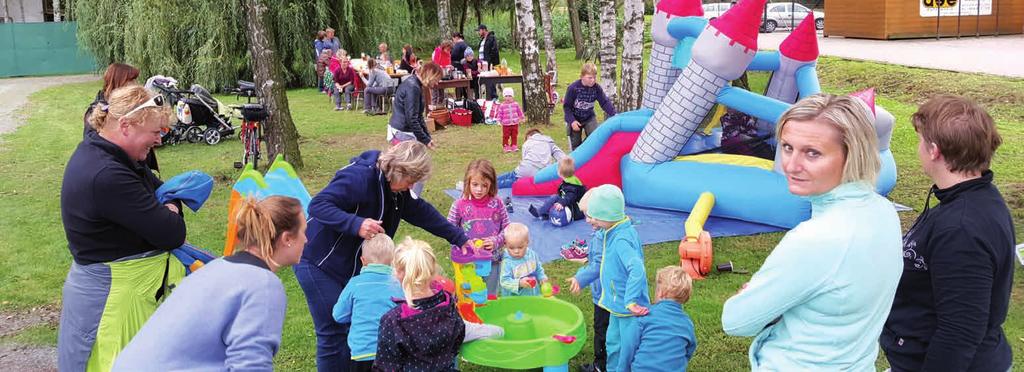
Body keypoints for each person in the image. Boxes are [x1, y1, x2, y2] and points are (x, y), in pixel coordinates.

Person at [720, 94, 903, 370]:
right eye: (787, 147)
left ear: (852, 154)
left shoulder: (815, 240)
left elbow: (736, 320)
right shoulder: (883, 213)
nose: (791, 165)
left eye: (812, 153)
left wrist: (758, 298)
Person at [295, 140, 474, 372]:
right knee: (333, 330)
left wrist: (458, 237)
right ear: (399, 170)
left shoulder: (396, 190)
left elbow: (422, 212)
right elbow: (318, 205)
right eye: (411, 179)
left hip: (352, 264)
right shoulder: (359, 178)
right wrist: (355, 223)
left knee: (353, 328)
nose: (412, 185)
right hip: (319, 262)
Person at [882, 95, 1015, 372]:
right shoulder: (976, 196)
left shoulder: (961, 230)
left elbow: (960, 332)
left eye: (920, 141)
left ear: (934, 150)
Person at [58, 85, 186, 372]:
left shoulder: (116, 158)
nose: (159, 140)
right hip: (113, 304)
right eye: (155, 132)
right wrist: (170, 205)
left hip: (123, 295)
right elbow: (172, 233)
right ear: (126, 125)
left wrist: (167, 203)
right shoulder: (107, 174)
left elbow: (164, 194)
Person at [112, 196, 306, 371]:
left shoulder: (216, 267)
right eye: (303, 232)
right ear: (287, 238)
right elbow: (250, 365)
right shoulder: (263, 284)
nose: (306, 239)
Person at [579, 184, 649, 372]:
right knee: (613, 344)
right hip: (616, 305)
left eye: (592, 216)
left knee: (627, 349)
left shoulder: (620, 240)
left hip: (627, 309)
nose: (588, 220)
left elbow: (637, 268)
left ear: (606, 215)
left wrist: (631, 300)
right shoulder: (613, 231)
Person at [374, 238, 466, 371]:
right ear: (432, 269)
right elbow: (458, 337)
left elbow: (386, 366)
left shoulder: (394, 320)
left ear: (398, 273)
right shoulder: (448, 304)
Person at [332, 234, 403, 372]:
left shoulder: (354, 284)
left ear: (363, 261)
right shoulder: (398, 285)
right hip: (391, 352)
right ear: (392, 261)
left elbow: (338, 315)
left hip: (361, 353)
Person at [447, 159, 510, 297]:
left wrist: (496, 241)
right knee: (467, 296)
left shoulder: (498, 203)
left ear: (491, 185)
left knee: (489, 295)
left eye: (484, 185)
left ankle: (488, 318)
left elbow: (507, 228)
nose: (479, 189)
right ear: (467, 182)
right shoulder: (459, 205)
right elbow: (449, 230)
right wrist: (462, 243)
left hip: (492, 260)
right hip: (466, 263)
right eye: (475, 184)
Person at [84, 63, 159, 172]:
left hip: (136, 165)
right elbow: (93, 144)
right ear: (118, 82)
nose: (136, 85)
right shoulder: (97, 112)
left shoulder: (127, 106)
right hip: (116, 168)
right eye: (131, 81)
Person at [624, 266, 697, 372]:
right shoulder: (687, 323)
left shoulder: (645, 315)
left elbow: (628, 346)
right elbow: (690, 349)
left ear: (661, 292)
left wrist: (622, 368)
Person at [567, 189, 609, 372]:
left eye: (590, 216)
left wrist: (580, 277)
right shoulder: (607, 231)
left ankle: (600, 366)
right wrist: (586, 259)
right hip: (611, 293)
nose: (587, 220)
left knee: (602, 330)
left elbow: (599, 265)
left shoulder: (602, 237)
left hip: (604, 295)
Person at [564, 63, 617, 150]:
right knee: (576, 145)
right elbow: (567, 107)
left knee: (595, 138)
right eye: (590, 78)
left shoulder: (596, 88)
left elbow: (604, 102)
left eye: (594, 77)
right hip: (574, 118)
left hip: (589, 117)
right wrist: (572, 121)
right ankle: (578, 157)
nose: (593, 80)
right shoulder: (573, 88)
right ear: (582, 77)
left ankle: (586, 151)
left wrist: (614, 114)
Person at [388, 62, 442, 148]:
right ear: (430, 76)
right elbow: (412, 119)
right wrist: (425, 140)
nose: (437, 83)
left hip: (402, 129)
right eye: (436, 80)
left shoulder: (415, 84)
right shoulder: (413, 88)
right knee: (414, 158)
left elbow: (419, 116)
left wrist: (427, 138)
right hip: (402, 131)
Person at [496, 128, 567, 188]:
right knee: (514, 180)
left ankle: (492, 183)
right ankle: (492, 183)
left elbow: (524, 160)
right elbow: (562, 157)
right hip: (542, 174)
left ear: (529, 136)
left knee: (512, 176)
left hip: (526, 170)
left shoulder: (527, 143)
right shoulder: (549, 142)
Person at [528, 157, 586, 227]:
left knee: (554, 197)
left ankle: (539, 212)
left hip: (575, 211)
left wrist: (562, 203)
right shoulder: (571, 180)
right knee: (556, 198)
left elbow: (570, 197)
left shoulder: (571, 185)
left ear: (559, 173)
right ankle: (546, 214)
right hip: (574, 206)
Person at [499, 223, 548, 296]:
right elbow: (504, 281)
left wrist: (542, 277)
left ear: (527, 242)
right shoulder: (507, 262)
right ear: (505, 244)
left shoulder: (532, 255)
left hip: (532, 293)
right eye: (511, 248)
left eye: (520, 247)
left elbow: (538, 268)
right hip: (515, 298)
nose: (516, 251)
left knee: (532, 306)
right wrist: (519, 283)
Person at [476, 24, 501, 99]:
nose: (478, 33)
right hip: (482, 64)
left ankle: (493, 96)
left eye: (479, 31)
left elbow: (494, 51)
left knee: (491, 80)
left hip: (489, 63)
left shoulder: (491, 38)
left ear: (484, 30)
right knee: (484, 80)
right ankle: (486, 96)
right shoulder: (482, 40)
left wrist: (491, 63)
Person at [496, 87, 525, 152]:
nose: (508, 98)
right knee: (506, 135)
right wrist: (498, 121)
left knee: (514, 135)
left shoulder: (515, 104)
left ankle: (514, 145)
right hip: (506, 124)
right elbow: (499, 114)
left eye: (509, 96)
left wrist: (522, 118)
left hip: (515, 123)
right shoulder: (502, 105)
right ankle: (506, 146)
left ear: (512, 96)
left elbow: (519, 112)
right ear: (504, 97)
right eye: (506, 96)